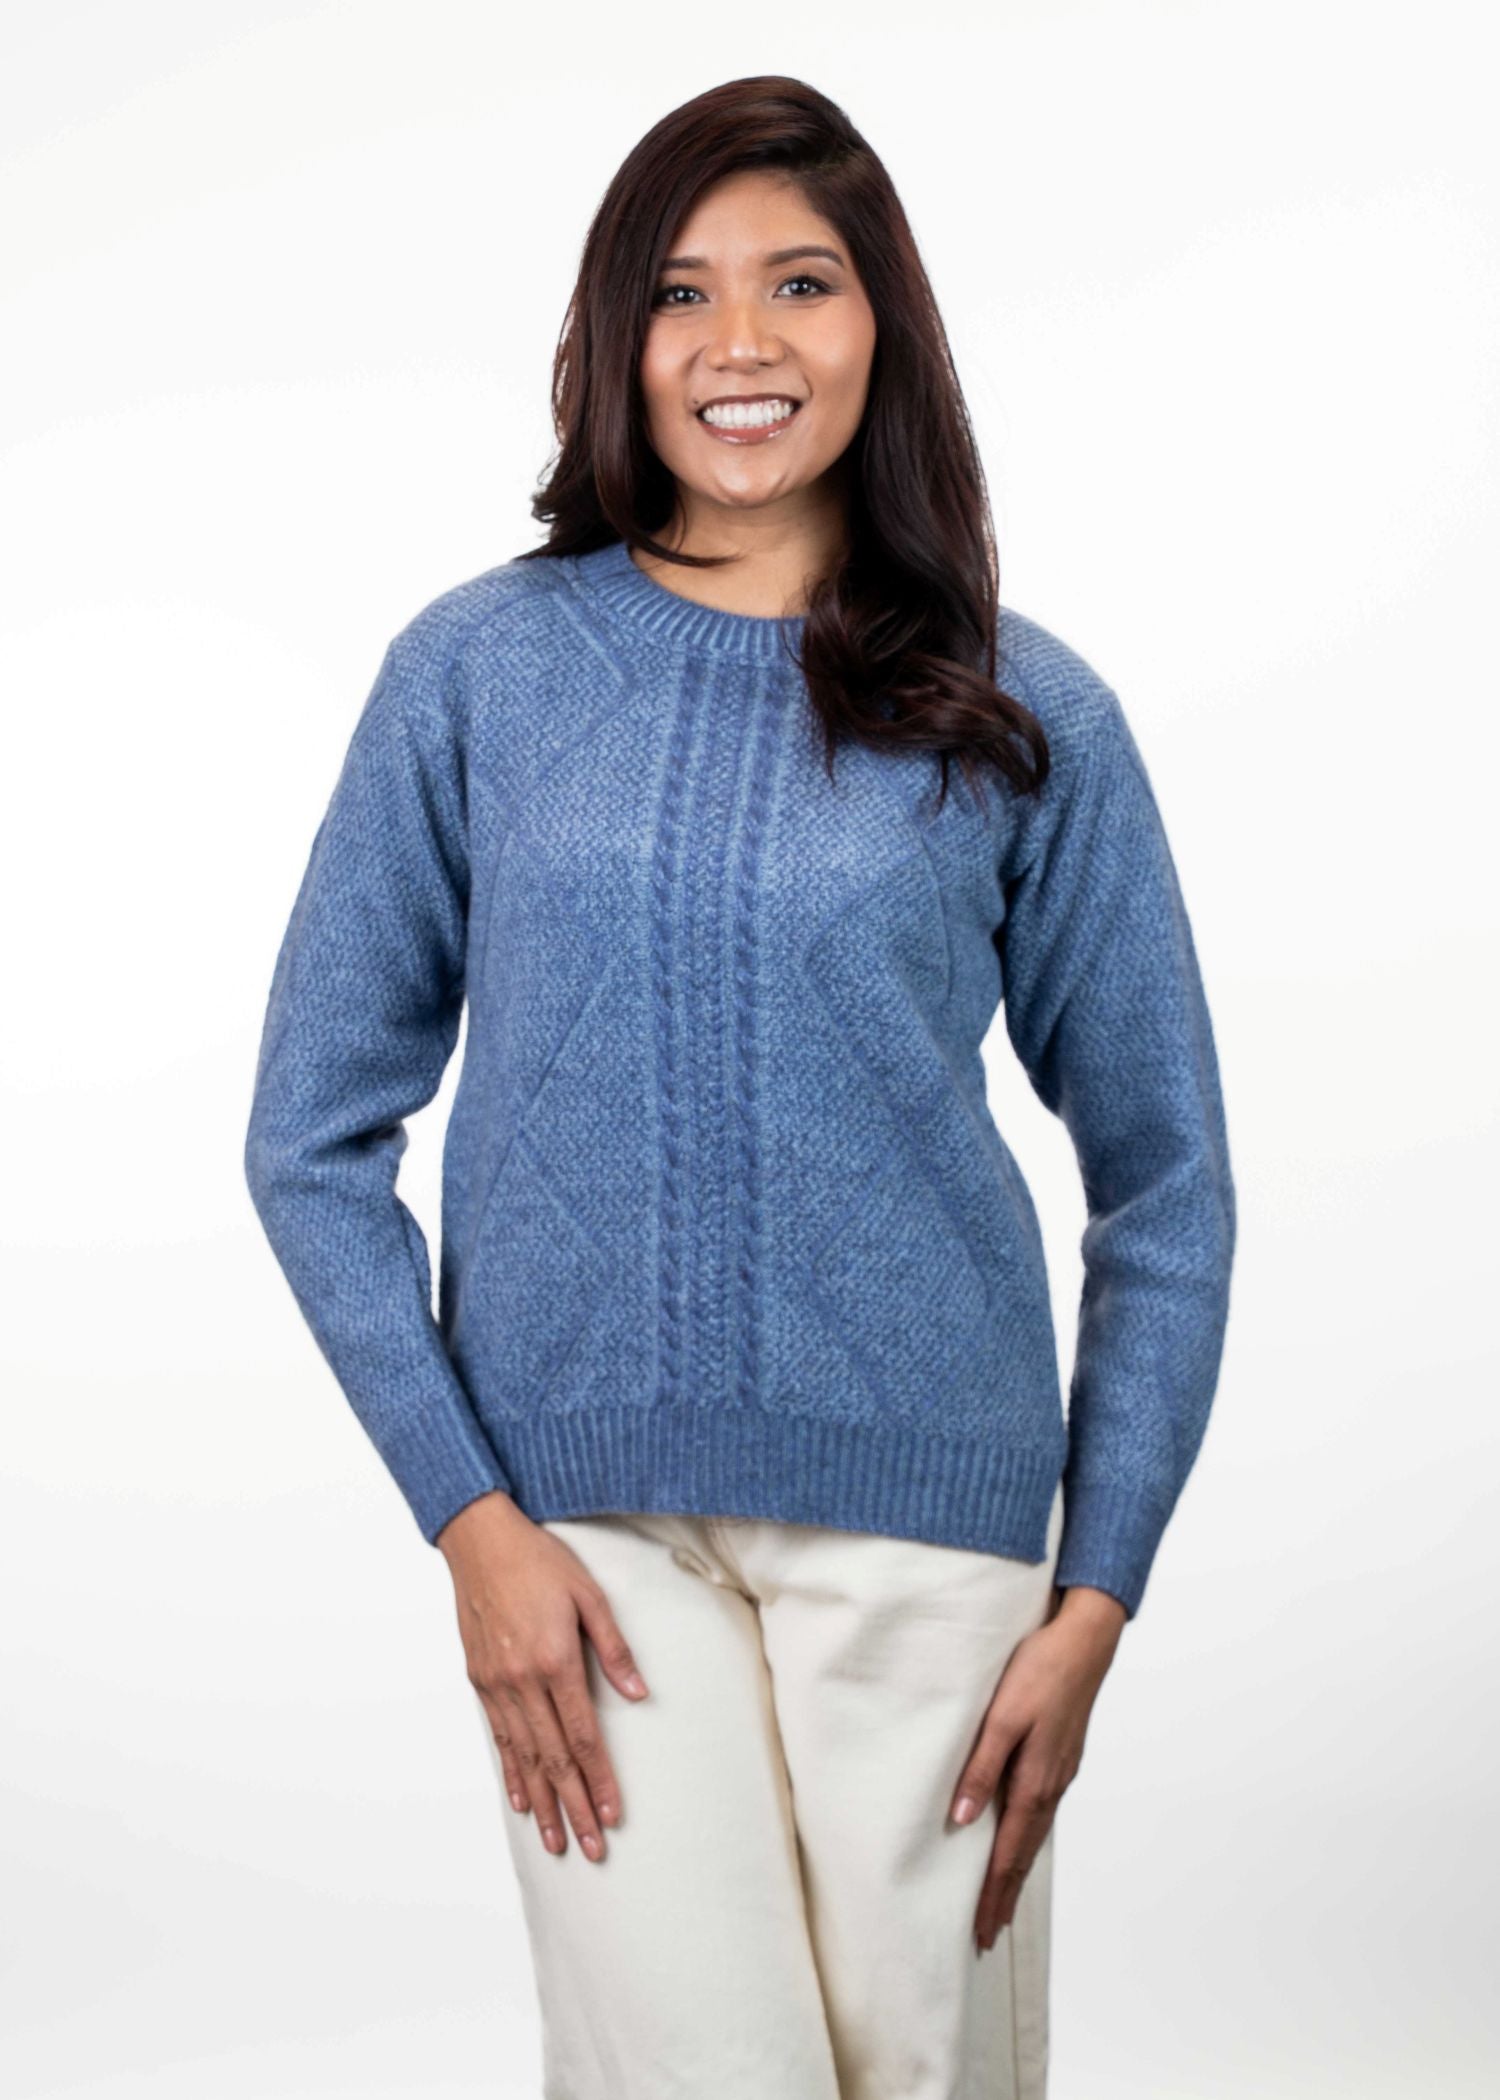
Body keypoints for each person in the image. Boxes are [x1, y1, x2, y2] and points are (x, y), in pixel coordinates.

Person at [243, 74, 1236, 2100]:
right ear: (616, 340)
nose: (740, 343)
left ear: (884, 325)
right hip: (583, 1551)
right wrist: (470, 1524)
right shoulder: (477, 674)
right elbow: (309, 1140)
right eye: (680, 292)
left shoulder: (1026, 707)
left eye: (801, 281)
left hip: (936, 1545)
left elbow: (1169, 1185)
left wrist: (1099, 1592)